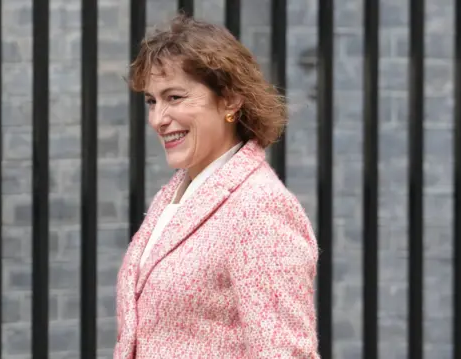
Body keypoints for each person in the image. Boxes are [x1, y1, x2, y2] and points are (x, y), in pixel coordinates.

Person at [114, 14, 320, 359]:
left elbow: (284, 352)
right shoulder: (174, 195)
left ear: (229, 100)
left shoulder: (259, 208)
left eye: (175, 97)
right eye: (152, 101)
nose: (157, 119)